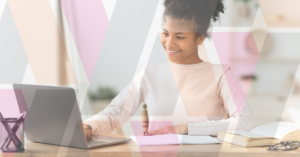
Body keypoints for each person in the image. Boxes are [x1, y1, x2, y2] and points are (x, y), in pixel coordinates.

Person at [83, 0, 256, 140]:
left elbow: (246, 121)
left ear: (200, 38)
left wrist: (185, 129)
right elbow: (115, 112)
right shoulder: (149, 74)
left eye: (180, 37)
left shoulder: (221, 74)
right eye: (165, 33)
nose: (169, 43)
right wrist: (88, 126)